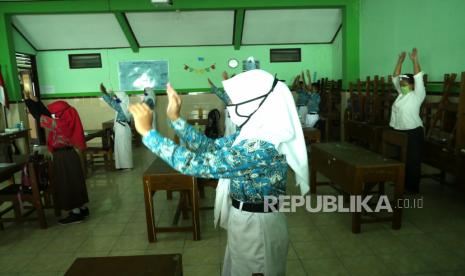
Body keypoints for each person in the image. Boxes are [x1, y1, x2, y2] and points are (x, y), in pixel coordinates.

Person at [130, 69, 309, 276]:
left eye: (235, 100)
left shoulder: (261, 146)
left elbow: (197, 164)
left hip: (258, 227)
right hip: (247, 219)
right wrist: (175, 118)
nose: (230, 105)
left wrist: (149, 134)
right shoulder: (253, 133)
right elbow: (210, 147)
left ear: (256, 103)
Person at [24, 92, 89, 224]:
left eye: (55, 113)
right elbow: (46, 114)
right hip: (70, 155)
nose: (53, 115)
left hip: (63, 156)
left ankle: (75, 213)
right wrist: (37, 102)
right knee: (75, 181)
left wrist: (28, 102)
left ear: (59, 112)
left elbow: (40, 116)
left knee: (67, 182)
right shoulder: (68, 118)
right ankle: (82, 208)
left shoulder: (60, 124)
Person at [391, 48, 425, 194]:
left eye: (405, 83)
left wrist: (414, 60)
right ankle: (401, 183)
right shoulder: (401, 94)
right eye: (401, 83)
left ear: (412, 85)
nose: (402, 84)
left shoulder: (417, 95)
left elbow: (418, 76)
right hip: (399, 130)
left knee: (412, 161)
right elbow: (395, 77)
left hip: (413, 132)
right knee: (401, 159)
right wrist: (399, 61)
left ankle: (412, 187)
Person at [100, 84, 133, 170]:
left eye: (117, 96)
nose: (116, 97)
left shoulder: (122, 106)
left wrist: (104, 93)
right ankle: (124, 166)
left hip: (122, 129)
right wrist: (111, 94)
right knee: (123, 147)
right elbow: (116, 100)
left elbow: (112, 103)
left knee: (123, 148)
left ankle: (126, 166)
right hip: (124, 128)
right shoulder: (125, 104)